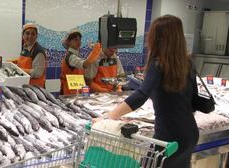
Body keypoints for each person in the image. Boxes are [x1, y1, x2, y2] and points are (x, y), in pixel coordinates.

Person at [93, 15, 198, 168]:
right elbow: (193, 100)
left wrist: (108, 117)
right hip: (190, 133)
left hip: (168, 137)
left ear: (158, 38)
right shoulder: (187, 63)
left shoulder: (158, 64)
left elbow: (141, 95)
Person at [60, 29, 101, 95]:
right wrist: (95, 52)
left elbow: (81, 79)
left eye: (80, 39)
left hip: (79, 93)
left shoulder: (77, 56)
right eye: (75, 40)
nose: (79, 42)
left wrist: (86, 94)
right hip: (70, 94)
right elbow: (84, 65)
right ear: (68, 42)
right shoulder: (70, 57)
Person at [15, 23, 47, 88]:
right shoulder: (25, 47)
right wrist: (12, 63)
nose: (30, 36)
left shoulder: (38, 52)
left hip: (36, 89)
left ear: (36, 36)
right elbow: (25, 61)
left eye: (33, 34)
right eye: (27, 33)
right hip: (26, 85)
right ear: (23, 35)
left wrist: (20, 70)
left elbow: (38, 72)